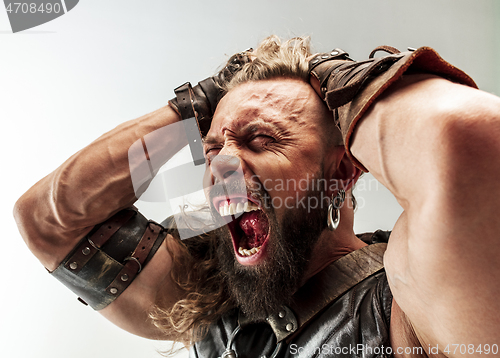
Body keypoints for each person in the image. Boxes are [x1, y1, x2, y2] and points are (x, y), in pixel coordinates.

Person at [14, 36, 500, 357]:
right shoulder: (209, 301)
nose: (219, 166)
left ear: (343, 174)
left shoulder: (407, 299)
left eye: (261, 140)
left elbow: (470, 142)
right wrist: (192, 108)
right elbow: (50, 220)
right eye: (209, 151)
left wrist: (345, 83)